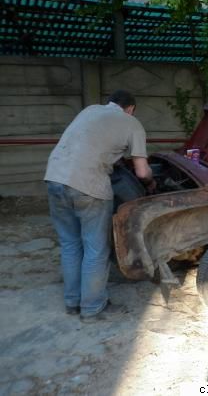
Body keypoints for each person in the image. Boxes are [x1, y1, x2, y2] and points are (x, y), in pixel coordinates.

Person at [44, 90, 155, 323]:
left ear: (110, 103)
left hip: (54, 178)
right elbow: (142, 172)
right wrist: (151, 180)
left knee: (70, 244)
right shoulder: (132, 123)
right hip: (88, 186)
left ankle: (72, 302)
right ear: (131, 109)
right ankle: (93, 308)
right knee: (95, 249)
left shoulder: (90, 110)